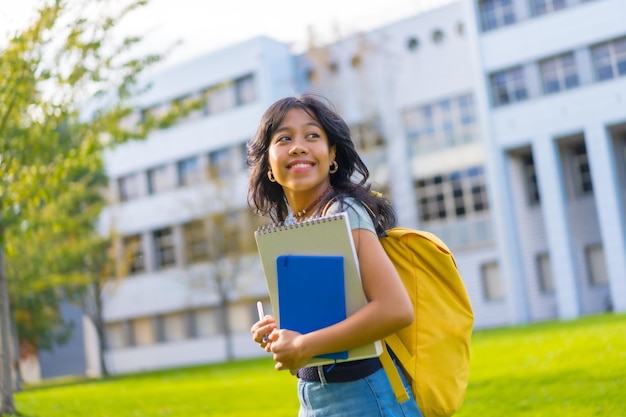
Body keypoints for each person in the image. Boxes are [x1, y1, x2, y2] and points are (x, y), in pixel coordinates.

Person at [248, 94, 422, 417]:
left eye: (312, 136)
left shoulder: (345, 211)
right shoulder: (300, 225)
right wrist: (282, 335)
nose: (298, 146)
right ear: (269, 166)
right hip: (317, 395)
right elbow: (331, 317)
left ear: (331, 157)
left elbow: (395, 309)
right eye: (284, 139)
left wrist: (304, 346)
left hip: (364, 397)